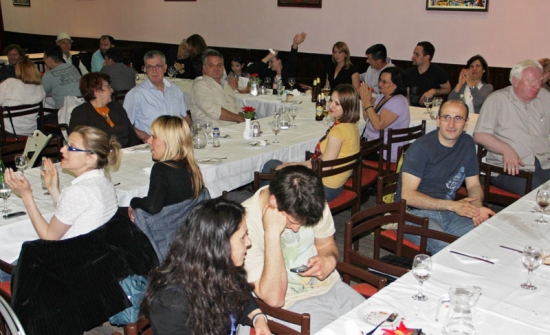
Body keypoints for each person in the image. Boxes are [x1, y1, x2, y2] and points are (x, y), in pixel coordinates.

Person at [242, 165, 365, 333]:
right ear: (274, 202)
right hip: (290, 303)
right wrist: (271, 233)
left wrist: (329, 259)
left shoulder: (312, 201)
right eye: (292, 222)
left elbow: (327, 246)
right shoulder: (245, 225)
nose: (296, 229)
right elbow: (274, 299)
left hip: (333, 287)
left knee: (382, 326)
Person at [141, 198, 271, 335]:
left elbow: (240, 293)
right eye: (242, 237)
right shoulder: (172, 304)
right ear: (220, 246)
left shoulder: (219, 270)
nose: (248, 242)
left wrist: (258, 318)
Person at [396, 100, 495, 254]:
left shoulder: (466, 143)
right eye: (446, 117)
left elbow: (474, 185)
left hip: (449, 212)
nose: (451, 124)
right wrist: (452, 205)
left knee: (485, 239)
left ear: (466, 123)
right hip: (412, 214)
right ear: (438, 120)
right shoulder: (421, 148)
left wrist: (476, 207)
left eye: (458, 118)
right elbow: (407, 196)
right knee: (447, 251)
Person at [5, 126, 120, 240]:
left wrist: (26, 196)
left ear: (90, 158)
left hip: (71, 254)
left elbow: (48, 237)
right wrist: (52, 188)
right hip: (96, 250)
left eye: (71, 147)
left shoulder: (79, 191)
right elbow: (70, 212)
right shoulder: (104, 181)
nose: (62, 150)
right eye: (66, 144)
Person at [268, 84, 361, 201]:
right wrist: (295, 163)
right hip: (334, 184)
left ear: (348, 106)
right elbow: (321, 160)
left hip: (323, 188)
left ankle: (267, 205)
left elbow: (324, 167)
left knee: (272, 166)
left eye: (337, 103)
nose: (330, 105)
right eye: (331, 100)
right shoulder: (351, 126)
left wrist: (294, 166)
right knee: (279, 165)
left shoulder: (338, 132)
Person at [473, 59, 550, 195]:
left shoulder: (545, 97)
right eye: (531, 81)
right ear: (515, 81)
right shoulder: (497, 100)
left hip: (543, 162)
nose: (537, 86)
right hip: (510, 169)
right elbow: (480, 135)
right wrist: (506, 149)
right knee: (543, 194)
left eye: (540, 81)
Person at [128, 115, 204, 219]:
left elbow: (153, 207)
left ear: (169, 142)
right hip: (190, 225)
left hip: (169, 230)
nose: (148, 141)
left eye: (154, 137)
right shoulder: (192, 166)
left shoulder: (161, 169)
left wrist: (134, 202)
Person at [123, 50, 190, 142]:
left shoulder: (175, 90)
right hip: (152, 144)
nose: (154, 71)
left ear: (165, 68)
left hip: (177, 142)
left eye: (158, 66)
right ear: (145, 69)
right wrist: (145, 136)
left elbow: (184, 117)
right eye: (150, 67)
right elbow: (125, 125)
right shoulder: (135, 94)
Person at [69, 73, 140, 148]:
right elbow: (77, 142)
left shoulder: (117, 107)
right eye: (108, 86)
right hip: (100, 156)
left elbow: (132, 135)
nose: (112, 90)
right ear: (97, 90)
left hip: (126, 153)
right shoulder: (81, 112)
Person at [358, 67, 410, 162]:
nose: (380, 84)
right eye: (380, 80)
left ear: (395, 85)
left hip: (385, 151)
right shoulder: (383, 96)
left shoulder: (398, 101)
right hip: (375, 145)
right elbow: (369, 121)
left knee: (346, 151)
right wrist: (365, 104)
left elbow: (378, 125)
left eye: (384, 82)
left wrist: (368, 103)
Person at [190, 49, 244, 126]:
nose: (216, 68)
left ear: (223, 68)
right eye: (211, 65)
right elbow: (214, 111)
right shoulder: (200, 85)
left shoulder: (226, 85)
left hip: (234, 129)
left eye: (219, 65)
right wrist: (238, 118)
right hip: (211, 132)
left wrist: (242, 117)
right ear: (204, 68)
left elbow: (237, 108)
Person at [0, 58, 45, 137]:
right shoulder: (39, 87)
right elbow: (41, 109)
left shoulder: (10, 83)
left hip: (9, 132)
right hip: (32, 131)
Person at [405, 41, 450, 107]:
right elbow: (406, 93)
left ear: (427, 57)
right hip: (413, 108)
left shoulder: (438, 72)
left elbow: (447, 89)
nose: (413, 57)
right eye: (413, 54)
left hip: (432, 109)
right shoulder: (408, 73)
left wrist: (434, 91)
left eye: (417, 54)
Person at [42, 44, 81, 109]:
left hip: (64, 113)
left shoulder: (49, 75)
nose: (44, 61)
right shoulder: (72, 67)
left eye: (44, 58)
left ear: (49, 59)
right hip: (82, 108)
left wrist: (46, 73)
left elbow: (41, 94)